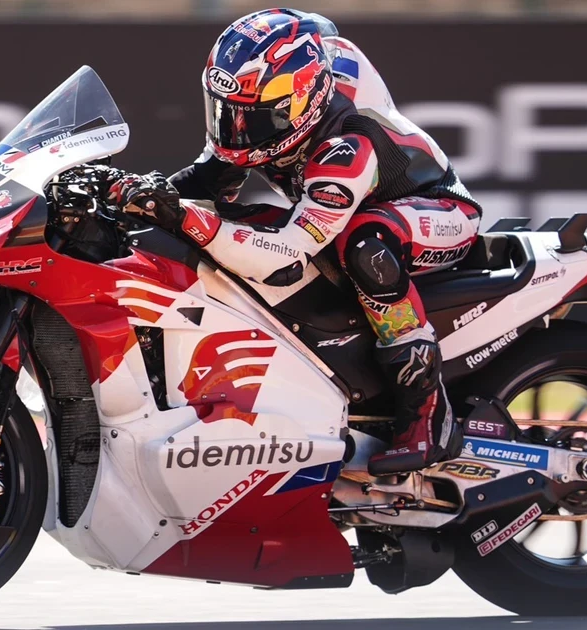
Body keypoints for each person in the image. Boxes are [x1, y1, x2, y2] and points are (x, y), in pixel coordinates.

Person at [110, 9, 480, 475]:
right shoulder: (274, 103)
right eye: (226, 111)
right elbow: (206, 181)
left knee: (364, 246)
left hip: (437, 211)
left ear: (300, 104)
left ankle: (428, 410)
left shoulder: (346, 147)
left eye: (253, 118)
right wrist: (134, 197)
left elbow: (284, 256)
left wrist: (187, 217)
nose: (236, 130)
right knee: (243, 219)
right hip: (353, 206)